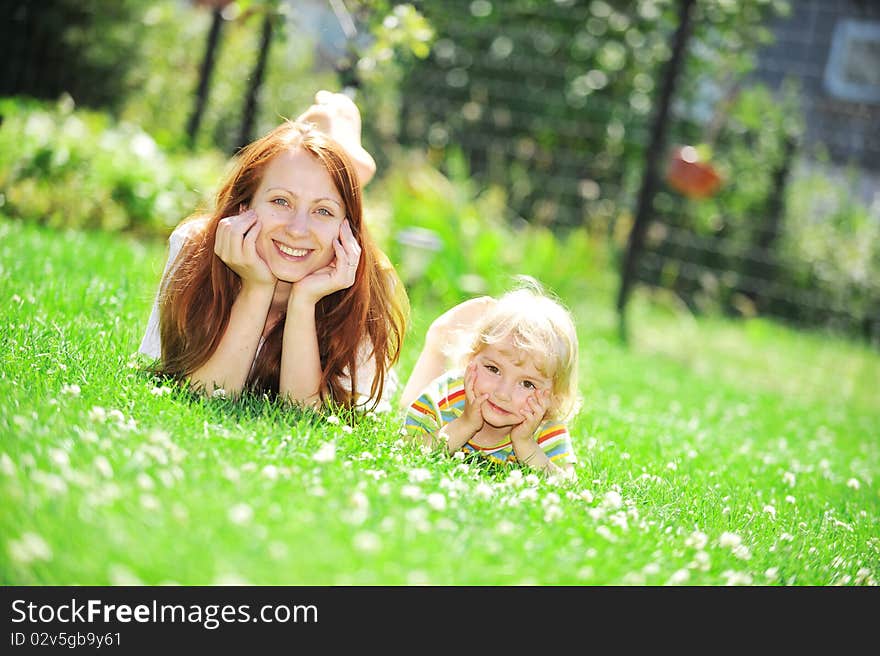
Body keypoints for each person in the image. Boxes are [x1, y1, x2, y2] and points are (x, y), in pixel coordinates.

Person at [139, 91, 408, 411]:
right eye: (281, 201)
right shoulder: (194, 245)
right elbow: (205, 396)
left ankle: (332, 156)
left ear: (347, 227)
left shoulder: (370, 279)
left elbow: (304, 415)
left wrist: (305, 299)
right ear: (243, 205)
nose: (297, 229)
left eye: (324, 211)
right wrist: (257, 287)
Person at [402, 279, 580, 478]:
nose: (502, 393)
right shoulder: (443, 396)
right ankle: (437, 342)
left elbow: (567, 486)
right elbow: (406, 450)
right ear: (471, 358)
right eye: (493, 369)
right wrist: (465, 424)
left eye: (527, 384)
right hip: (442, 396)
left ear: (554, 397)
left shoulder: (543, 426)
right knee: (407, 401)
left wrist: (526, 445)